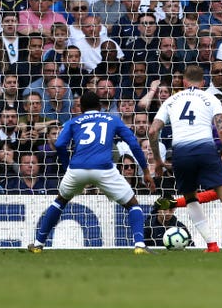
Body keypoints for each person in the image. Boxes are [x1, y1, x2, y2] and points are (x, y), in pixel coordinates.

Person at [27, 91, 156, 254]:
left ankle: (38, 244)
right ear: (100, 106)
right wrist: (145, 171)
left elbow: (59, 144)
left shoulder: (74, 121)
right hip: (104, 168)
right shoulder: (112, 119)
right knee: (132, 204)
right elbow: (134, 144)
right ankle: (139, 245)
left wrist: (67, 166)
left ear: (81, 108)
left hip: (77, 168)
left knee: (60, 201)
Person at [147, 65, 222, 251]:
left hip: (181, 153)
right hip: (206, 149)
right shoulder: (210, 98)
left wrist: (158, 160)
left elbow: (152, 131)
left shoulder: (171, 100)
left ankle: (211, 244)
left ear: (184, 82)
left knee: (190, 198)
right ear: (203, 83)